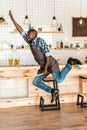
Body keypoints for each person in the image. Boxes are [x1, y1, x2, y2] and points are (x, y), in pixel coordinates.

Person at [9, 10, 82, 103]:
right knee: (35, 82)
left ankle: (69, 63)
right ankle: (53, 91)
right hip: (44, 66)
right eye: (27, 35)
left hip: (50, 64)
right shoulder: (29, 40)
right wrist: (12, 19)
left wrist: (46, 69)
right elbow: (20, 30)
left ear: (34, 36)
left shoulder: (40, 42)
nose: (27, 36)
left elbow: (48, 56)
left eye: (29, 35)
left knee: (59, 80)